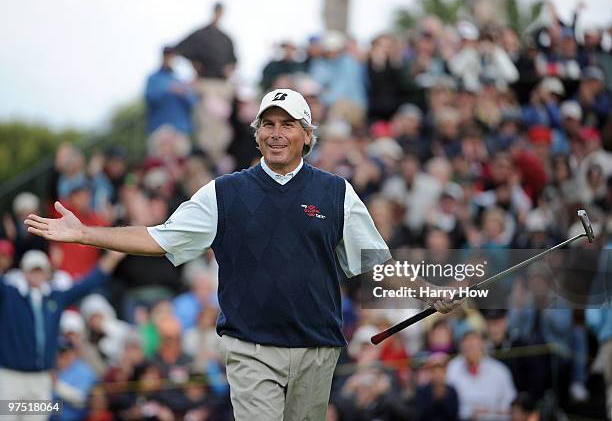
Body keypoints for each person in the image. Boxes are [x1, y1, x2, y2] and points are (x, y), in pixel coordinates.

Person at [25, 88, 456, 421]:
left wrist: (431, 291)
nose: (276, 132)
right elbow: (160, 238)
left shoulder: (336, 192)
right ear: (256, 133)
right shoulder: (224, 192)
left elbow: (378, 262)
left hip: (317, 347)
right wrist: (84, 233)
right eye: (268, 123)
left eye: (288, 124)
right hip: (252, 348)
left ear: (307, 136)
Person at [0, 250, 124, 421]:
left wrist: (111, 258)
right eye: (32, 270)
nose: (36, 275)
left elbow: (87, 284)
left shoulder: (54, 297)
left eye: (40, 270)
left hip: (41, 378)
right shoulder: (10, 295)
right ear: (24, 272)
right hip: (11, 377)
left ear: (47, 273)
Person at [173, 2, 237, 162]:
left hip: (222, 86)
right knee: (206, 125)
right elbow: (179, 48)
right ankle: (207, 160)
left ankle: (219, 159)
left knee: (222, 128)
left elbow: (234, 61)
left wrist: (229, 69)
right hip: (206, 84)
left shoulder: (226, 38)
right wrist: (195, 63)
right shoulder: (200, 34)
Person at [145, 46, 198, 137]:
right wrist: (169, 90)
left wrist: (184, 93)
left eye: (172, 57)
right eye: (167, 56)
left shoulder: (181, 79)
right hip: (159, 130)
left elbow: (193, 103)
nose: (170, 59)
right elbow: (150, 99)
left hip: (180, 130)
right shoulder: (153, 78)